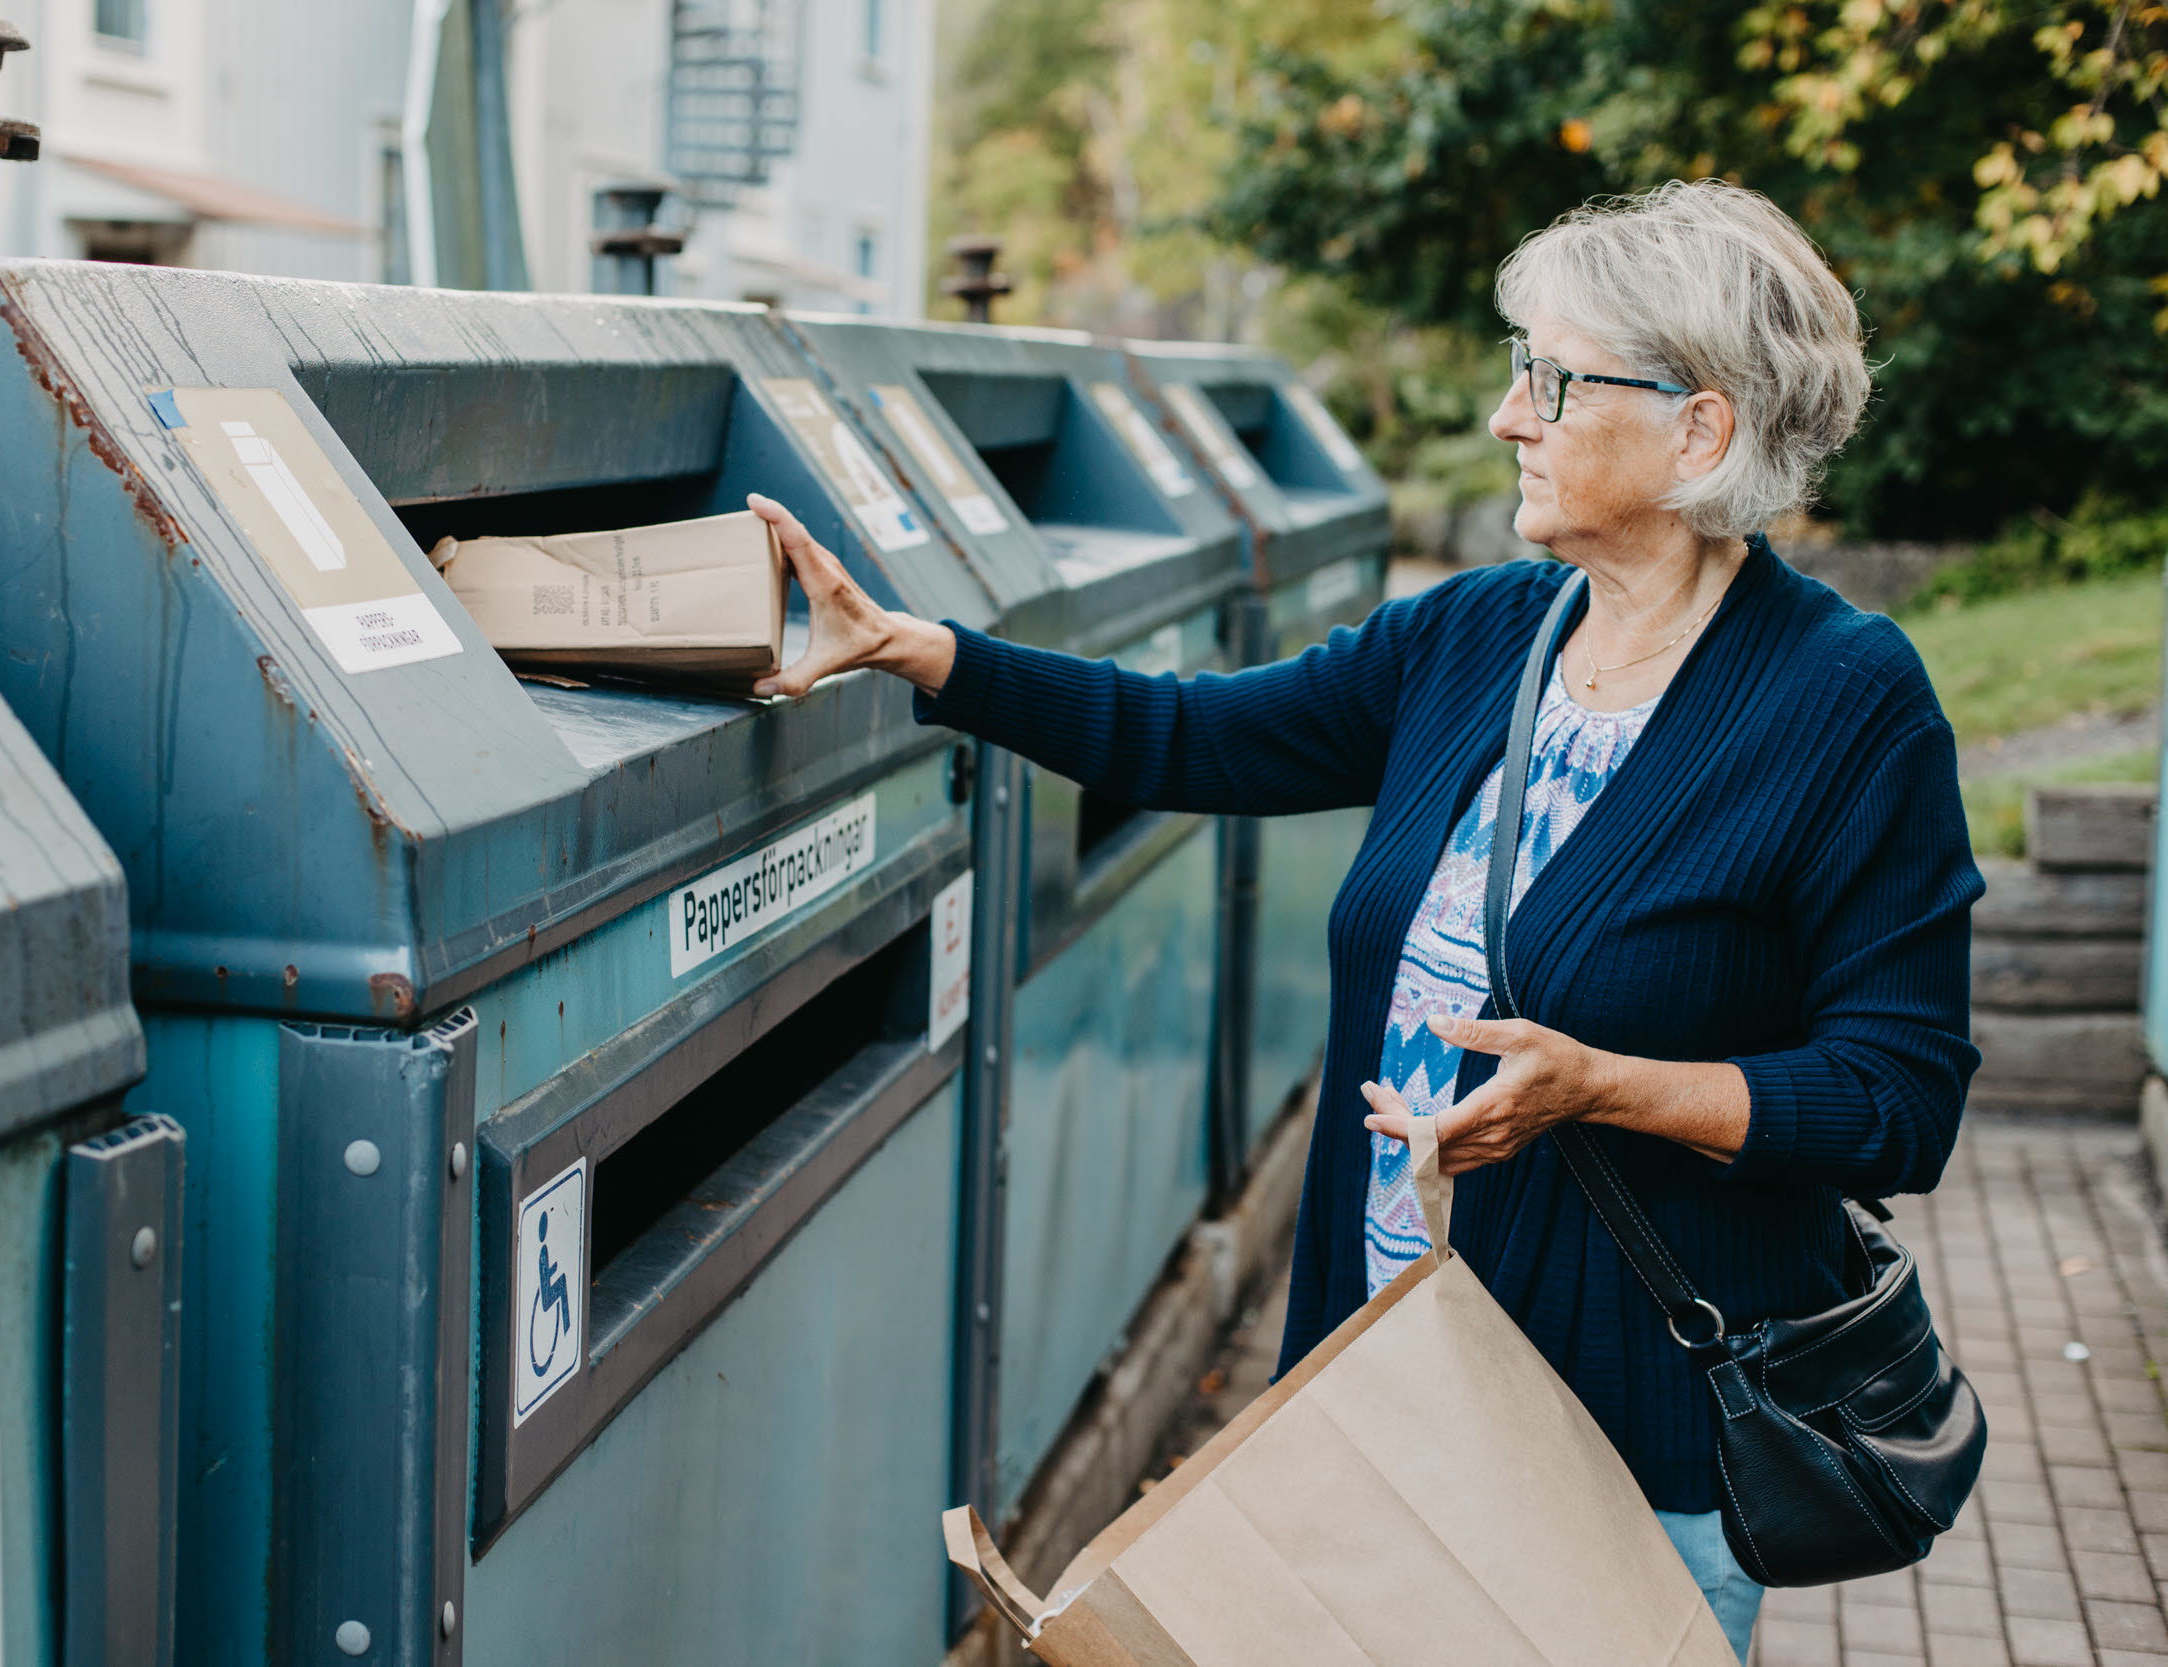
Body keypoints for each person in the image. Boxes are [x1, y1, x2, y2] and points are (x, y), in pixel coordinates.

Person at [742, 179, 1980, 1659]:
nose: (1507, 417)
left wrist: (1605, 1087)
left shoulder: (1847, 703)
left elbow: (1897, 1101)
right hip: (1376, 1410)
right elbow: (1191, 738)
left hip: (1625, 1471)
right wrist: (919, 651)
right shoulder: (1480, 633)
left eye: (1553, 381)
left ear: (1698, 432)